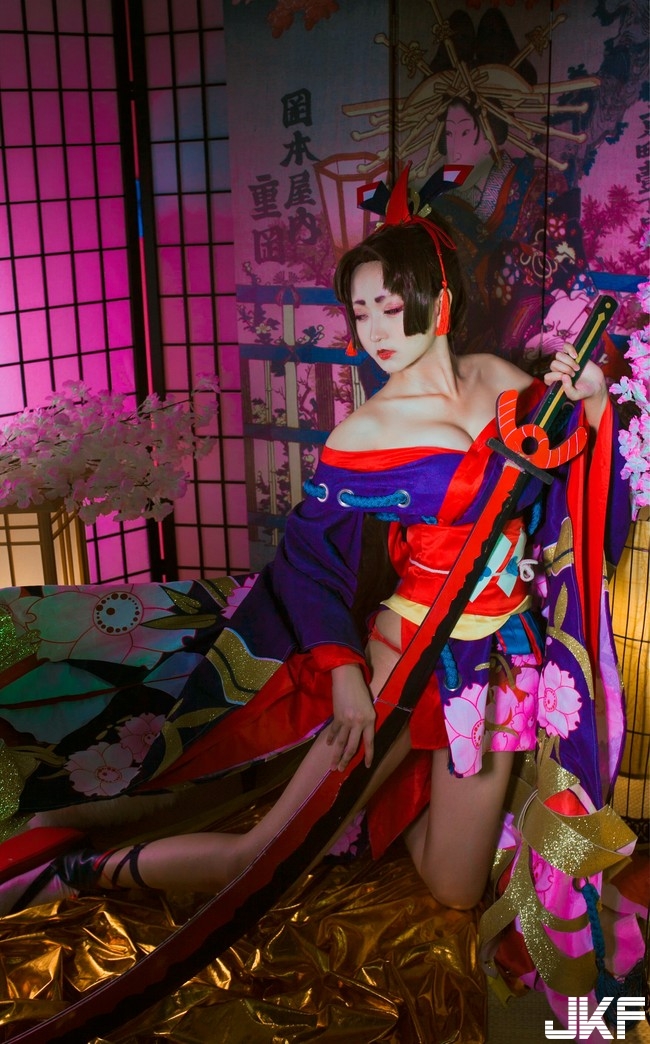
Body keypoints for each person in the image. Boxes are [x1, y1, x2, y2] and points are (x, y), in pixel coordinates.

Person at [0, 177, 637, 1014]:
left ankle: (370, 807)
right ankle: (80, 869)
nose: (375, 331)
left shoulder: (500, 380)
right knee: (263, 856)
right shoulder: (362, 434)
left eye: (390, 307)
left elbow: (568, 502)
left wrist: (590, 408)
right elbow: (307, 562)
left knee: (454, 889)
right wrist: (342, 671)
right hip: (401, 659)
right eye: (360, 313)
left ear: (438, 299)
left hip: (497, 666)